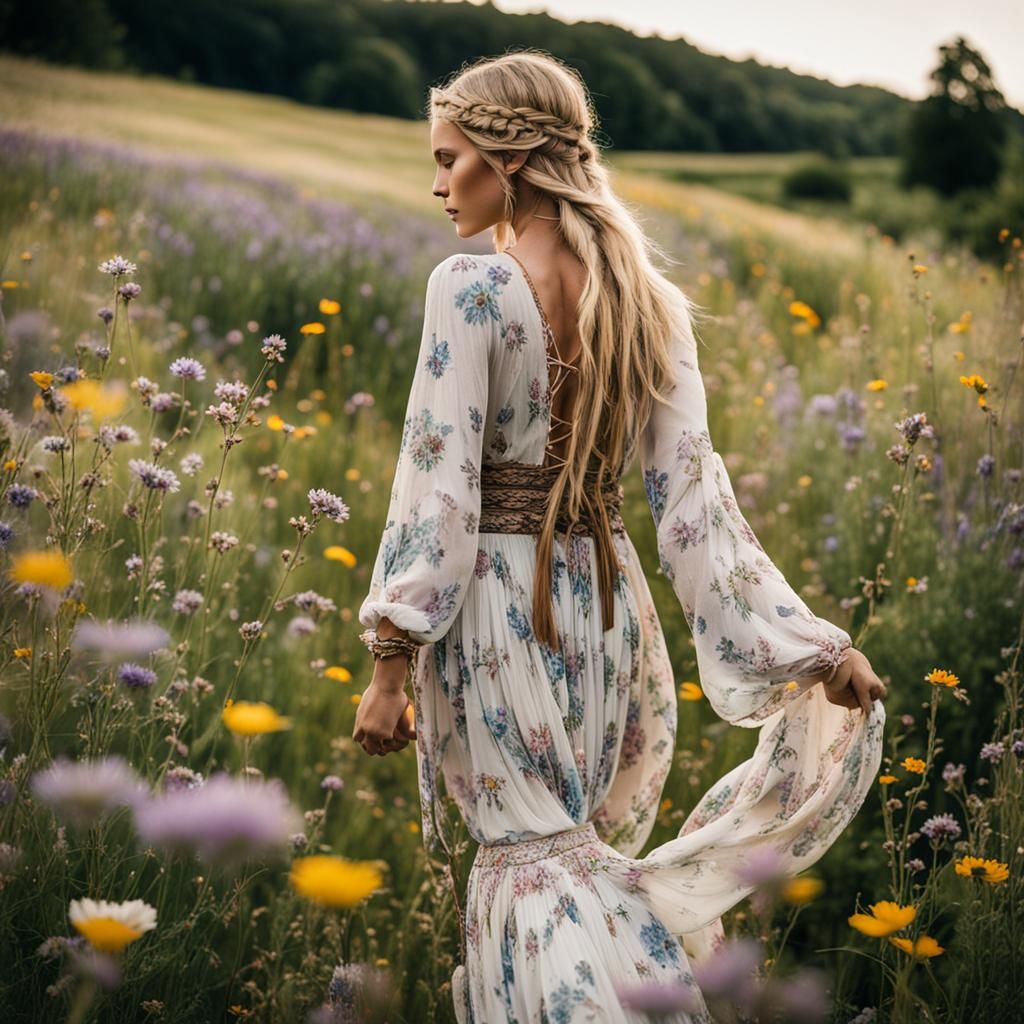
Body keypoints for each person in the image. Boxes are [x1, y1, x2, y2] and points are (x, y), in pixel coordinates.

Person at [354, 50, 887, 1024]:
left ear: (507, 159)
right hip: (608, 618)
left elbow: (438, 492)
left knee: (527, 866)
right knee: (574, 863)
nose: (437, 185)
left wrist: (391, 660)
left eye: (449, 159)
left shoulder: (469, 290)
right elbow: (695, 509)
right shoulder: (652, 306)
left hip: (496, 616)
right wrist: (815, 648)